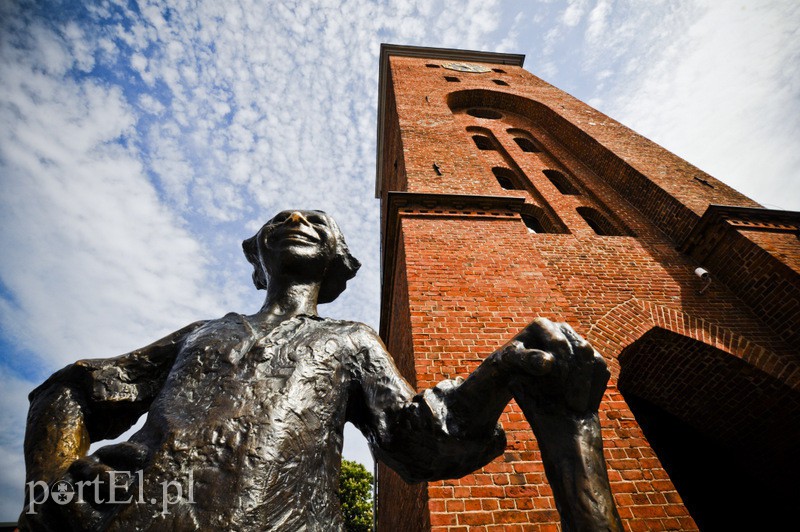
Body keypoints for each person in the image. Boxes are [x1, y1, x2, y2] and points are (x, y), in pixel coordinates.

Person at [19, 210, 620, 531]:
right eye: (279, 219)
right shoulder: (203, 334)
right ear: (258, 259)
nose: (295, 218)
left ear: (335, 261)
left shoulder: (350, 341)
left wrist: (500, 373)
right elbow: (73, 388)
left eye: (316, 221)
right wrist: (53, 488)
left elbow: (416, 442)